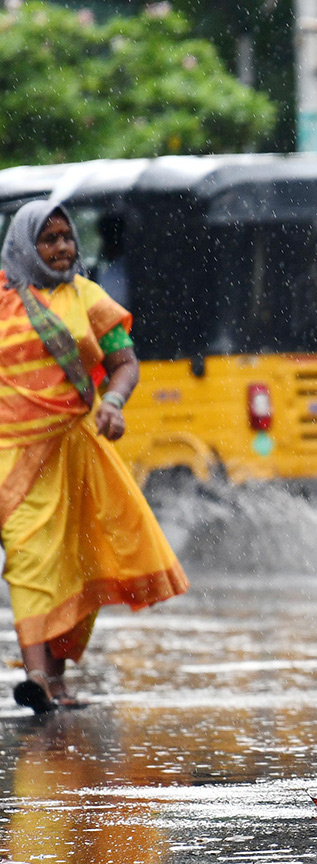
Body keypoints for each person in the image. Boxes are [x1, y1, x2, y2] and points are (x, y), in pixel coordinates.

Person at [0, 200, 189, 713]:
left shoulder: (89, 298)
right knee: (30, 559)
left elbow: (124, 362)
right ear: (24, 246)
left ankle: (55, 680)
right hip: (16, 458)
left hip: (78, 450)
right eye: (50, 239)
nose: (63, 248)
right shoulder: (2, 301)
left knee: (77, 563)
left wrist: (114, 401)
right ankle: (37, 676)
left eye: (67, 238)